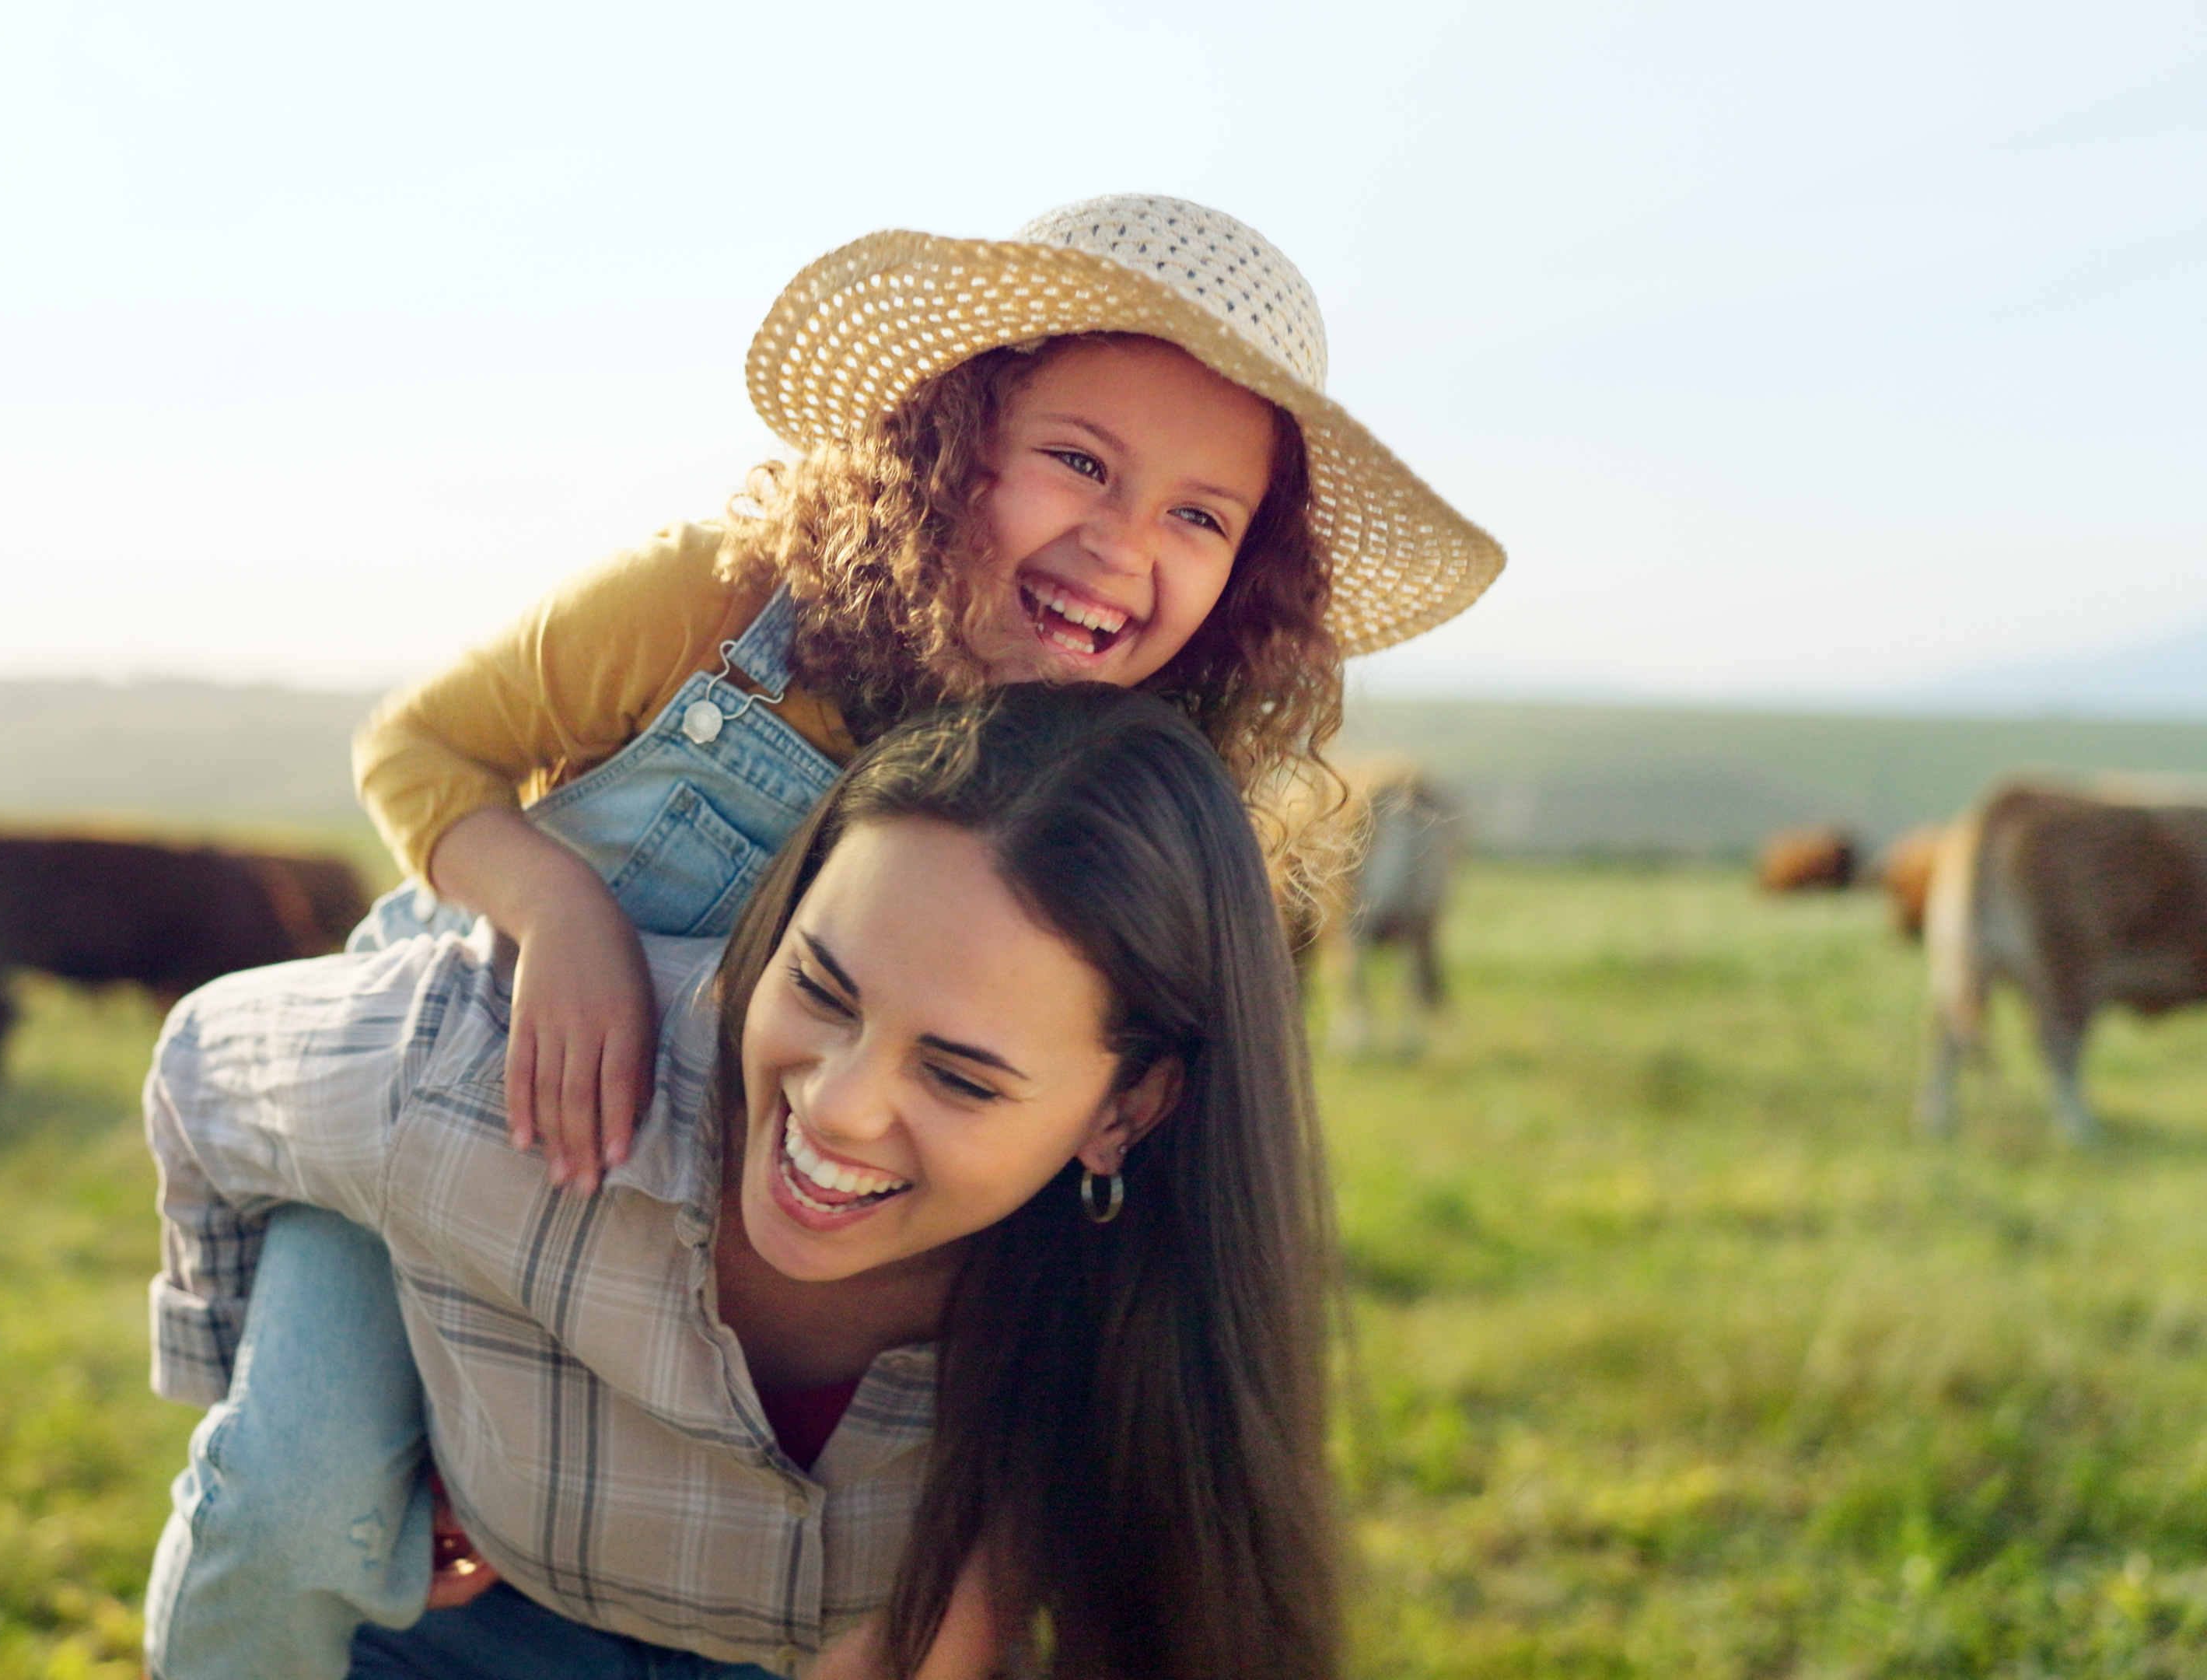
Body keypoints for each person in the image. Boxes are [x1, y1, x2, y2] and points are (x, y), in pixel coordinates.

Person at [144, 194, 1502, 1678]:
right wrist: (557, 909)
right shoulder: (719, 602)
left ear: (1245, 579)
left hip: (719, 1231)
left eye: (1197, 516)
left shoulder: (1150, 813)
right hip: (467, 1087)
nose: (1120, 546)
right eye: (1077, 464)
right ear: (949, 438)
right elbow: (420, 748)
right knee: (301, 1507)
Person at [150, 685, 1342, 1678]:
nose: (835, 1105)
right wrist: (308, 1420)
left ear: (1127, 1111)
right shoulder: (470, 1080)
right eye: (819, 989)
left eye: (962, 1078)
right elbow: (203, 1068)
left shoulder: (1133, 1309)